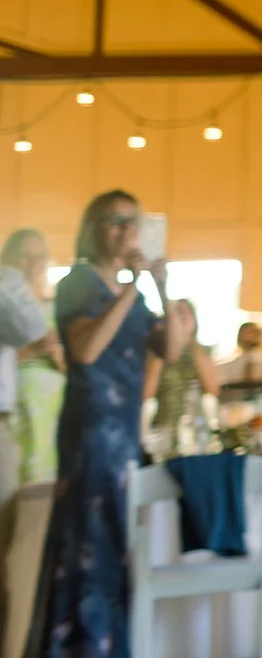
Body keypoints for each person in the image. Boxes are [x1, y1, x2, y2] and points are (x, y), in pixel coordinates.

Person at [26, 191, 197, 658]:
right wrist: (129, 289)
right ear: (92, 229)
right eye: (113, 221)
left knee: (114, 544)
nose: (125, 230)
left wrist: (160, 286)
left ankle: (108, 644)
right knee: (88, 540)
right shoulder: (79, 283)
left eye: (132, 221)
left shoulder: (135, 292)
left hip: (124, 433)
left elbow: (173, 349)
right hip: (91, 431)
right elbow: (85, 351)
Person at [0, 229, 58, 635]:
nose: (32, 266)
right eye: (25, 257)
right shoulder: (8, 285)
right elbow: (39, 338)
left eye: (40, 257)